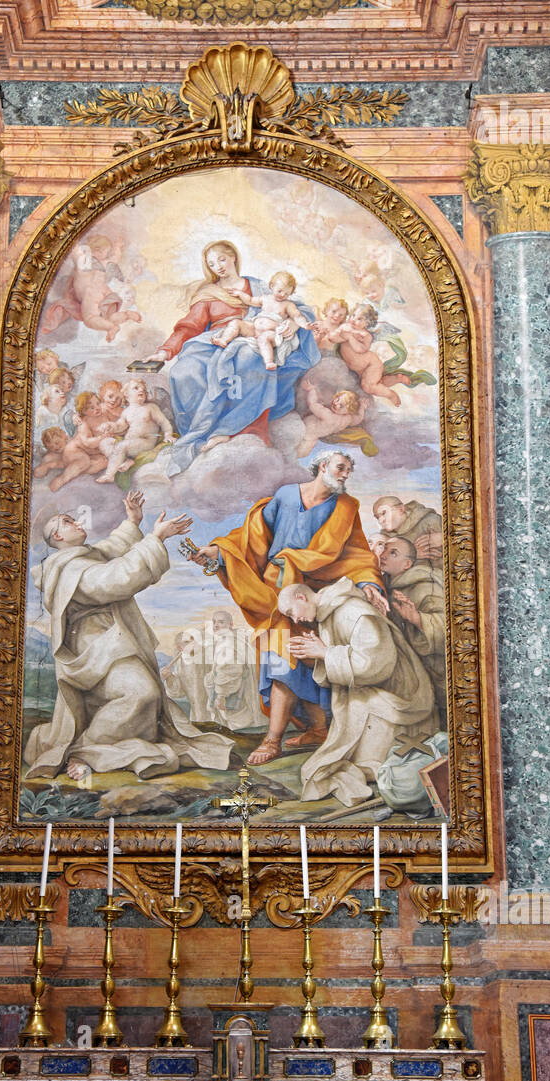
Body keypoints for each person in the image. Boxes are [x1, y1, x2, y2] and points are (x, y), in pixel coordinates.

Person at [190, 451, 387, 766]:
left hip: (315, 599)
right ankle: (274, 740)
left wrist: (369, 585)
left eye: (349, 470)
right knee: (279, 659)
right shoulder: (284, 496)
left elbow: (358, 553)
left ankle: (316, 729)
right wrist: (218, 553)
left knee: (310, 663)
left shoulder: (346, 507)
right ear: (322, 467)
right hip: (278, 597)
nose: (345, 474)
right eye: (340, 468)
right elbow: (252, 538)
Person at [24, 490, 233, 781]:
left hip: (108, 641)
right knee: (141, 693)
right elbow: (115, 578)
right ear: (57, 538)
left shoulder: (78, 558)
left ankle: (100, 748)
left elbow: (109, 549)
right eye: (68, 521)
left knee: (145, 696)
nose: (78, 522)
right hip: (97, 647)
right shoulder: (69, 569)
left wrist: (132, 522)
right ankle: (86, 751)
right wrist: (155, 539)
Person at [147, 240, 320, 473]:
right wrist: (164, 352)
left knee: (249, 359)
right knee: (183, 371)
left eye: (221, 259)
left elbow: (296, 307)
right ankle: (199, 432)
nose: (217, 266)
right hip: (213, 341)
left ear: (233, 257)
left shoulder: (259, 287)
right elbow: (188, 328)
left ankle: (231, 430)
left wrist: (292, 324)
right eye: (211, 263)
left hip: (253, 337)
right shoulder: (208, 294)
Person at [281, 579, 437, 806]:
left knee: (361, 765)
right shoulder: (330, 613)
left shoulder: (353, 611)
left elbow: (377, 664)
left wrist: (326, 653)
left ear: (301, 598)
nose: (295, 620)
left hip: (396, 695)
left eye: (291, 612)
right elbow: (342, 662)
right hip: (367, 690)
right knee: (329, 764)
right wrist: (319, 654)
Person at [375, 534, 447, 726]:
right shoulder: (384, 585)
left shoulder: (425, 586)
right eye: (384, 549)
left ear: (407, 565)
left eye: (393, 553)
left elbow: (449, 630)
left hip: (434, 673)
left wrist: (417, 619)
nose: (383, 555)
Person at [212, 271, 312, 371]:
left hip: (272, 334)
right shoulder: (265, 299)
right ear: (272, 286)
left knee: (263, 338)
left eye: (287, 294)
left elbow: (297, 316)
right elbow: (250, 300)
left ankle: (269, 362)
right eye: (280, 291)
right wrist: (240, 293)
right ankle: (224, 340)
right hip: (254, 329)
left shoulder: (288, 304)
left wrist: (305, 324)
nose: (282, 295)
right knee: (236, 323)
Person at [203, 610, 264, 731]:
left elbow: (231, 671)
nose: (215, 625)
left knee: (238, 725)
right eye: (214, 622)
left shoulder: (229, 643)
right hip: (242, 690)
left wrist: (221, 695)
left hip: (235, 694)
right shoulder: (233, 639)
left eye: (221, 622)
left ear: (230, 624)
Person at [372, 494, 443, 569]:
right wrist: (411, 555)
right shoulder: (384, 537)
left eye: (384, 513)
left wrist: (444, 538)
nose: (380, 520)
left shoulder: (430, 521)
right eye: (377, 517)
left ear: (401, 509)